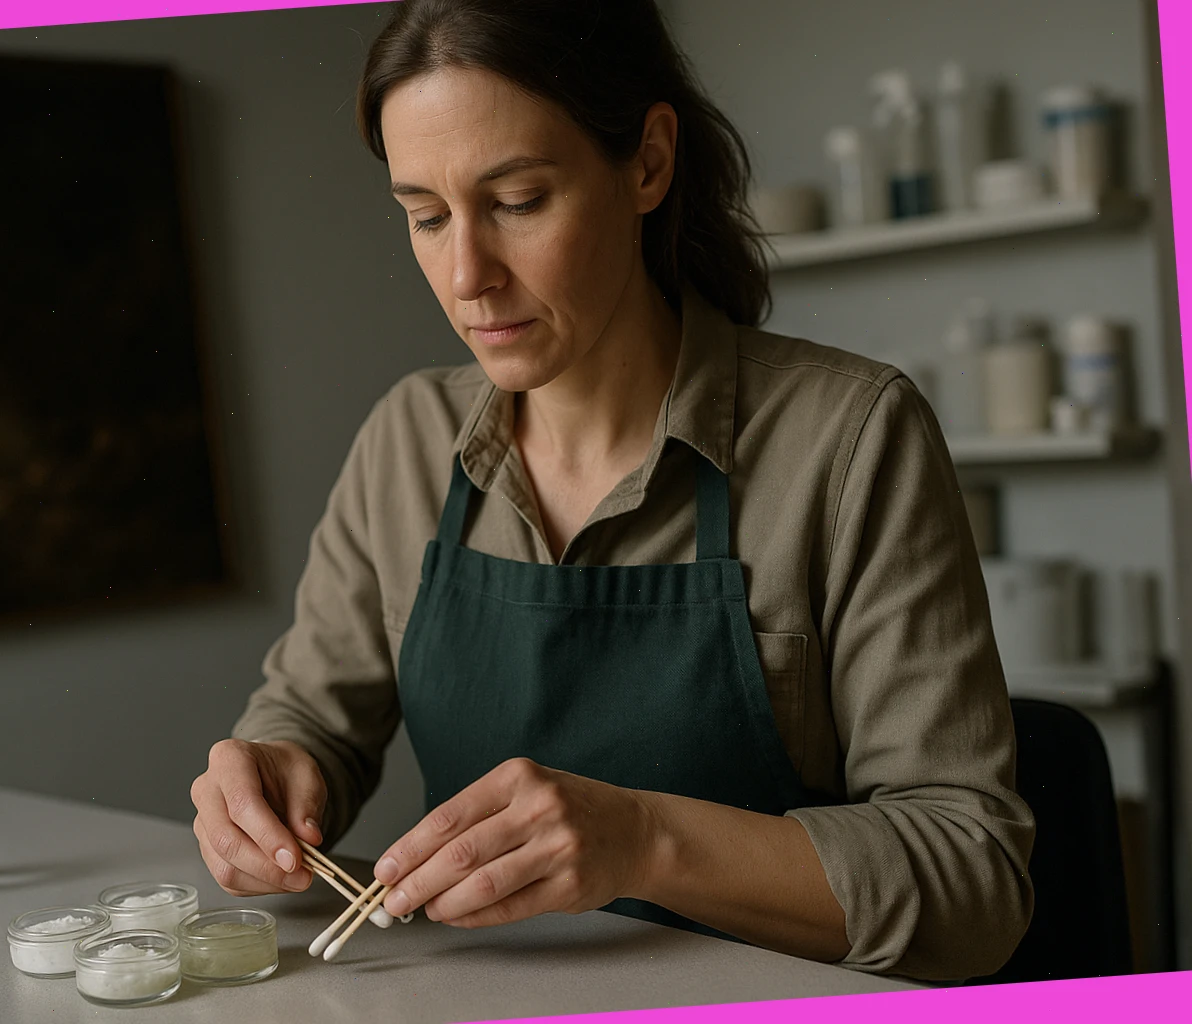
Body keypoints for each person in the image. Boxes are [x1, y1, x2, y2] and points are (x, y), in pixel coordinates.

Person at [190, 0, 1034, 981]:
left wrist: (640, 837)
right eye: (424, 215)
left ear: (647, 162)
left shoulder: (849, 439)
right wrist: (273, 776)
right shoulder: (406, 439)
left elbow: (974, 882)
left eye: (517, 200)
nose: (467, 275)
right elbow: (310, 724)